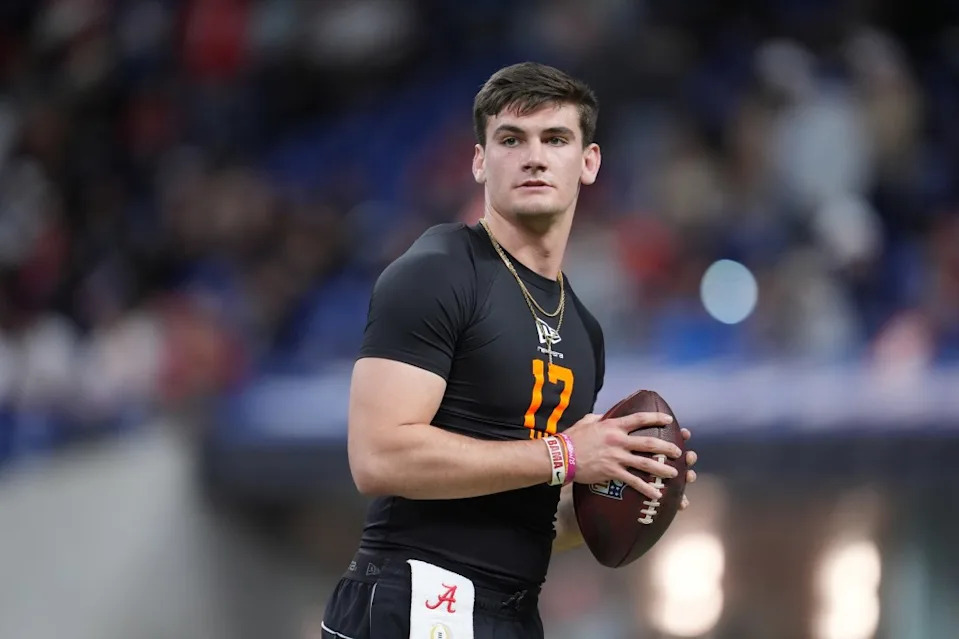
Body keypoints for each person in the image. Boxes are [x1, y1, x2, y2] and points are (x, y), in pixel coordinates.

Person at [321, 61, 699, 639]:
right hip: (417, 596)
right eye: (510, 139)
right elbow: (378, 458)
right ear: (479, 161)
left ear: (588, 162)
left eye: (555, 138)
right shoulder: (438, 269)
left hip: (513, 611)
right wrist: (568, 456)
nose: (534, 156)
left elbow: (533, 516)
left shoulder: (584, 330)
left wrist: (633, 485)